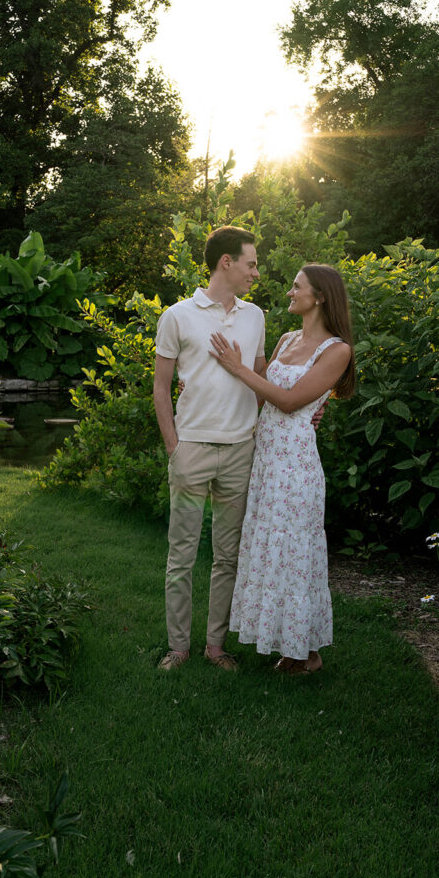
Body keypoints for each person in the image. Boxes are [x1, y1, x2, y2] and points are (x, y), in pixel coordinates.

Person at [209, 264, 355, 674]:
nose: (290, 293)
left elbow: (290, 401)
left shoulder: (336, 350)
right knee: (269, 551)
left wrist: (237, 368)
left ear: (320, 296)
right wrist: (206, 389)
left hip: (296, 468)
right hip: (266, 462)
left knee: (293, 554)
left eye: (297, 287)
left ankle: (306, 654)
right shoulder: (289, 339)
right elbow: (260, 394)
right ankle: (286, 643)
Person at [153, 226, 266, 671]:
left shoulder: (255, 316)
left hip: (240, 451)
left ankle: (215, 646)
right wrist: (174, 447)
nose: (256, 273)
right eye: (251, 264)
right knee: (181, 554)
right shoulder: (178, 315)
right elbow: (161, 388)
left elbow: (259, 375)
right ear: (227, 262)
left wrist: (255, 423)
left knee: (228, 557)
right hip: (192, 450)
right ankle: (178, 646)